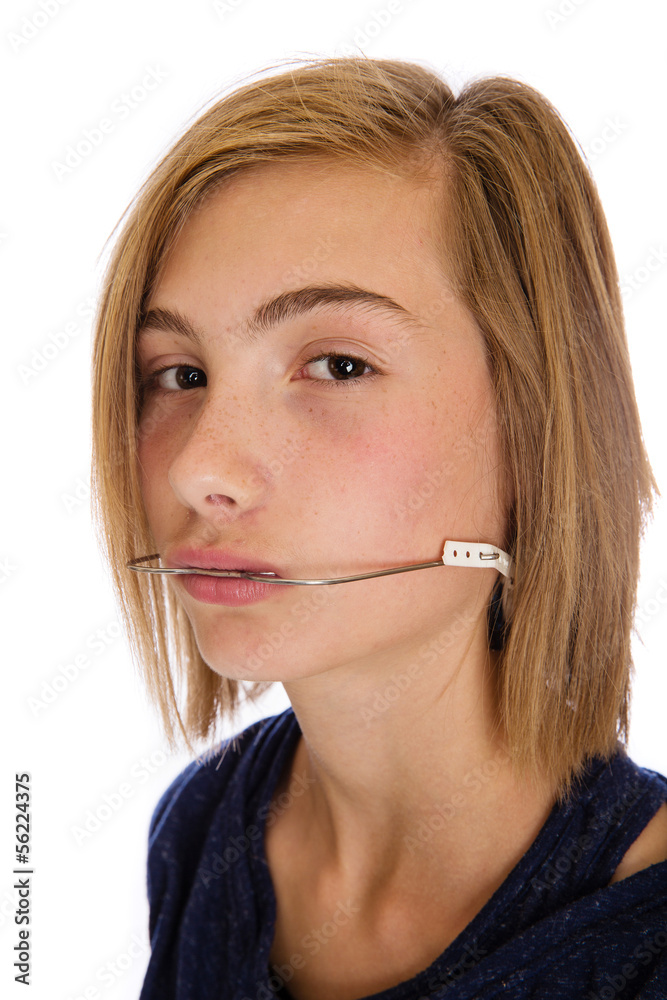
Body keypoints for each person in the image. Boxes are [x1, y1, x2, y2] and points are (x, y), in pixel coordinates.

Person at [90, 56, 667, 999]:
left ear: (536, 424)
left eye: (338, 366)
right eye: (179, 374)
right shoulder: (203, 828)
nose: (199, 468)